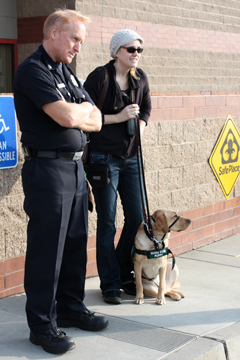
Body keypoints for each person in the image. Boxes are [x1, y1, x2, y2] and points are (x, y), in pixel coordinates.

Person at [13, 9, 108, 355]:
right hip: (48, 172)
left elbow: (96, 119)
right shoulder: (32, 70)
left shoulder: (65, 73)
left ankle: (70, 307)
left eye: (81, 41)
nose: (78, 48)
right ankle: (42, 326)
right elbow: (66, 114)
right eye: (74, 39)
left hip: (74, 171)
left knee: (74, 244)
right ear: (54, 32)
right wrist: (77, 113)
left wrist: (79, 114)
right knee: (47, 251)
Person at [84, 29, 152, 305]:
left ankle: (125, 273)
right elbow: (85, 114)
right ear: (116, 52)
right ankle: (110, 283)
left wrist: (141, 128)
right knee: (107, 223)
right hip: (103, 159)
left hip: (132, 158)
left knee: (136, 218)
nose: (136, 54)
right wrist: (119, 117)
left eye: (139, 50)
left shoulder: (140, 77)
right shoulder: (99, 77)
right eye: (130, 49)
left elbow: (146, 109)